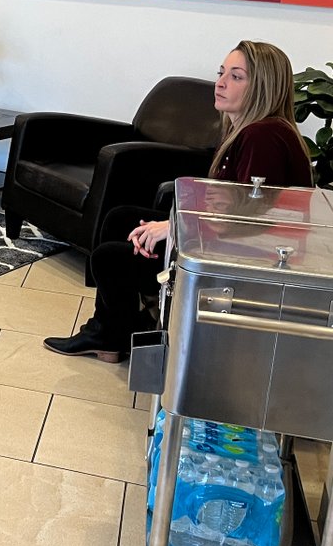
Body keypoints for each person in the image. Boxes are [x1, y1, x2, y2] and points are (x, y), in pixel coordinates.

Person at [44, 40, 314, 363]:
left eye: (236, 76)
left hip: (247, 261)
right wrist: (170, 226)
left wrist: (173, 230)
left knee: (109, 258)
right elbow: (228, 208)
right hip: (231, 243)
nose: (220, 83)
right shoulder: (252, 130)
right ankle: (114, 331)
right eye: (221, 73)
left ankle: (116, 332)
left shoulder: (263, 137)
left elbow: (248, 223)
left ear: (264, 86)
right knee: (120, 219)